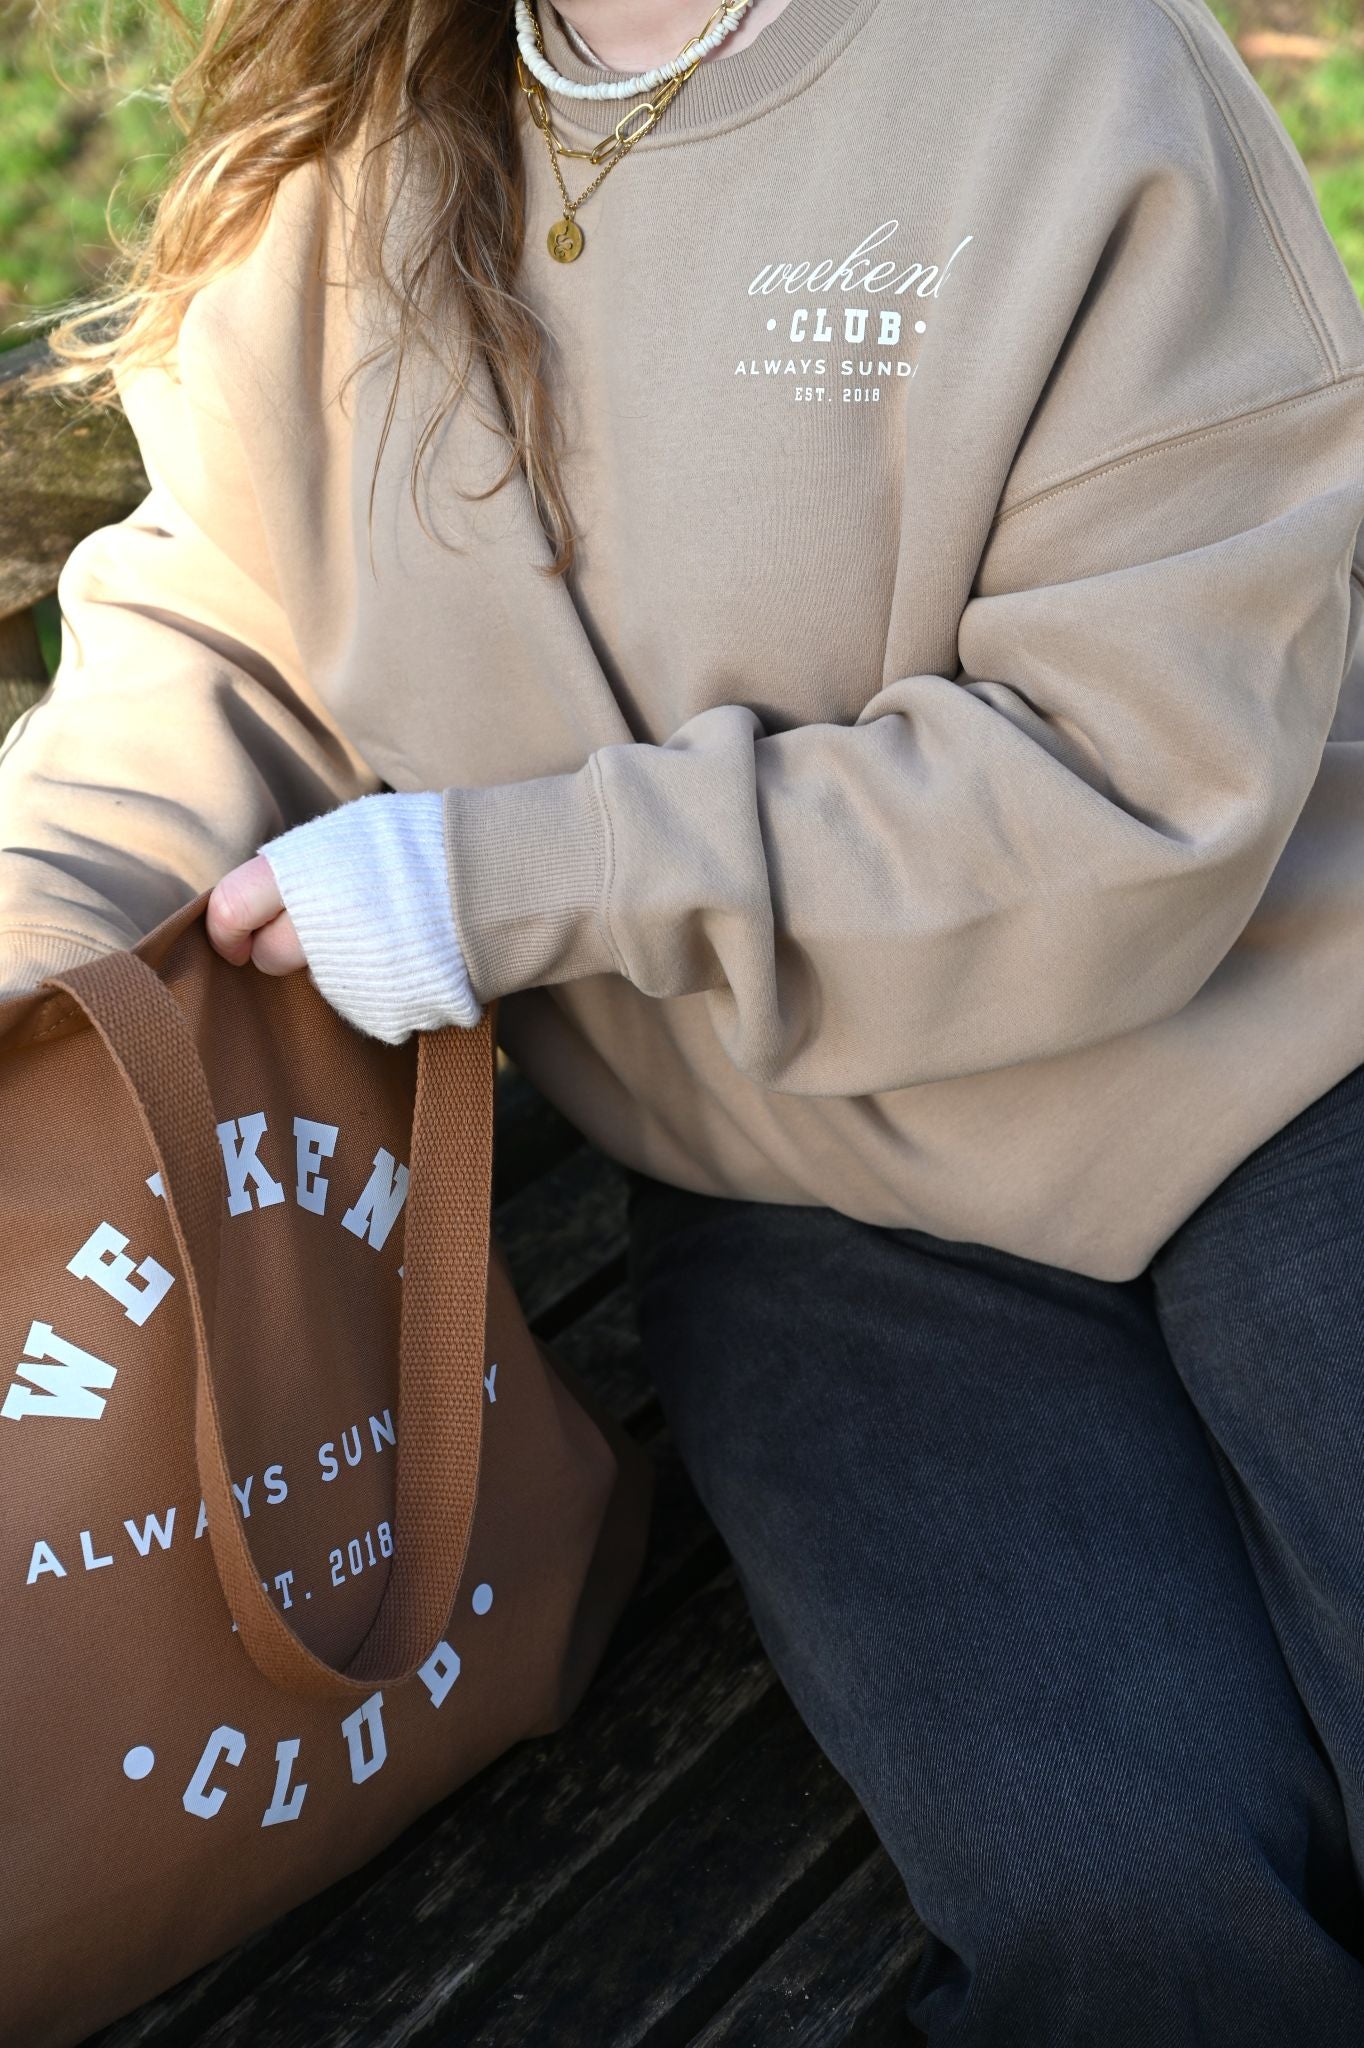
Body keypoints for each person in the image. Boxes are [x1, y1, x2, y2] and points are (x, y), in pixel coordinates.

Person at [5, 0, 1364, 2038]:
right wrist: (26, 961)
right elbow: (215, 649)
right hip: (802, 1197)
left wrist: (514, 881)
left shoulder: (1070, 71)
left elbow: (1130, 781)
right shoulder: (334, 132)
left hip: (1278, 1065)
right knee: (1134, 1920)